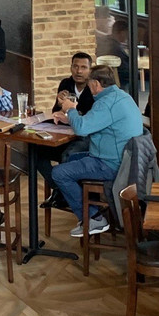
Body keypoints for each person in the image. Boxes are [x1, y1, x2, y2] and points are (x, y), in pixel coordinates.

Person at [51, 65, 144, 237]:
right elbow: (94, 122)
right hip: (125, 160)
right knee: (71, 159)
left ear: (95, 84)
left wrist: (70, 109)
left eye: (89, 83)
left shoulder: (105, 103)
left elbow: (82, 129)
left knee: (58, 173)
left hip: (111, 164)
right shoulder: (122, 97)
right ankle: (88, 209)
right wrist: (69, 119)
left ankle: (93, 218)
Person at [36, 52, 93, 210]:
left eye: (83, 67)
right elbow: (56, 112)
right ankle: (60, 188)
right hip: (64, 132)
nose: (78, 71)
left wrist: (73, 112)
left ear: (90, 70)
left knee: (68, 155)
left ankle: (63, 193)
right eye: (75, 66)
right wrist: (60, 103)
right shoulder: (66, 84)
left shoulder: (93, 88)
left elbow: (90, 118)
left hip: (84, 136)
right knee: (36, 151)